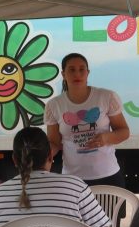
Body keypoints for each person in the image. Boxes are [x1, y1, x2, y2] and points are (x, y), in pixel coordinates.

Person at [44, 53, 131, 187]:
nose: (77, 74)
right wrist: (39, 154)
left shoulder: (106, 97)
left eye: (81, 69)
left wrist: (106, 138)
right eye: (71, 70)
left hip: (108, 176)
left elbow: (124, 132)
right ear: (63, 74)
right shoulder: (54, 105)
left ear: (88, 72)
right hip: (72, 179)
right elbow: (54, 143)